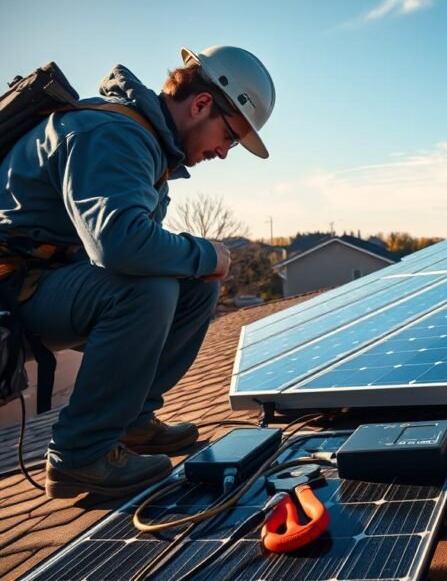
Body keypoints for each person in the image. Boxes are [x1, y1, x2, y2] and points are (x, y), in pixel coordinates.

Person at [0, 45, 276, 497]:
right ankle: (80, 454)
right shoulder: (112, 133)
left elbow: (137, 250)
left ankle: (130, 421)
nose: (225, 153)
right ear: (201, 104)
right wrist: (208, 253)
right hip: (12, 296)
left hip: (46, 284)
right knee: (148, 288)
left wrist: (199, 264)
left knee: (193, 286)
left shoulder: (148, 145)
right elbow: (121, 246)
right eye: (229, 136)